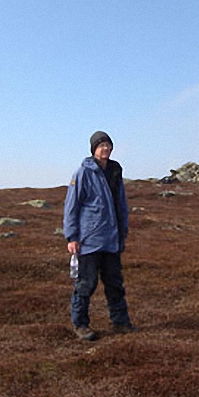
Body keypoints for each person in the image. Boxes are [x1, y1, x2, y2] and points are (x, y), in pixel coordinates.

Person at [63, 131, 137, 340]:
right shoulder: (83, 173)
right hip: (89, 240)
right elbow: (71, 206)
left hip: (111, 239)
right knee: (86, 284)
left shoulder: (115, 171)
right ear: (93, 149)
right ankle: (81, 324)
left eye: (108, 145)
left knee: (115, 283)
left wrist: (123, 231)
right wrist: (72, 237)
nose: (105, 149)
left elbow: (120, 204)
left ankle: (121, 323)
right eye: (101, 145)